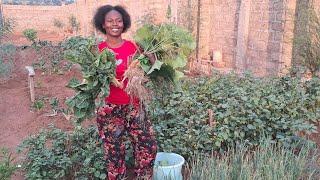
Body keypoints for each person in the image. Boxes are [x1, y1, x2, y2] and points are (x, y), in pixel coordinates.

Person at [93, 5, 157, 180]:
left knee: (147, 147)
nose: (115, 24)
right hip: (109, 110)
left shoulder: (133, 47)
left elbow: (150, 69)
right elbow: (90, 80)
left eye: (119, 20)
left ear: (124, 23)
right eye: (110, 21)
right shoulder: (97, 51)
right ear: (103, 24)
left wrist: (152, 58)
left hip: (135, 107)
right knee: (114, 155)